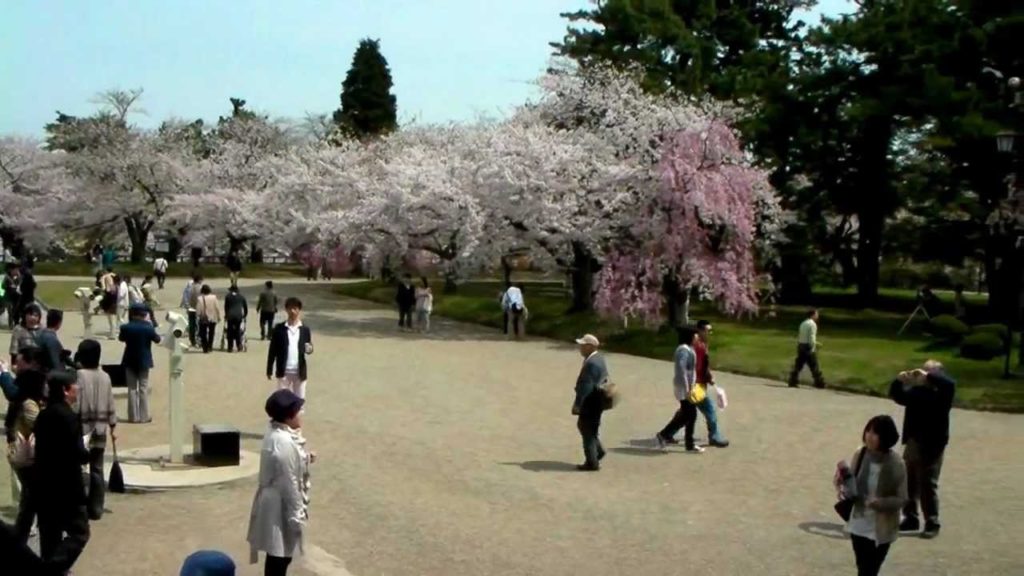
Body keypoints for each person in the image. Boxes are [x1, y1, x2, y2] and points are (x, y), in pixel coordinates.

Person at [247, 389, 314, 576]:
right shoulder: (283, 442)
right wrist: (297, 514)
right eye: (298, 410)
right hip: (279, 504)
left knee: (279, 554)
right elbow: (289, 482)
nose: (301, 413)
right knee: (280, 556)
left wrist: (306, 458)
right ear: (289, 416)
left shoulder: (276, 432)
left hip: (274, 498)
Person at [33, 370, 91, 574]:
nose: (78, 390)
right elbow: (77, 454)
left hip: (43, 483)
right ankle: (53, 568)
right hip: (67, 486)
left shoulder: (44, 415)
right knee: (79, 533)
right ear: (66, 391)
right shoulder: (69, 417)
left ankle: (51, 564)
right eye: (75, 386)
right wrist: (88, 452)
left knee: (50, 535)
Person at [890, 360, 955, 539]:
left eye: (929, 370)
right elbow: (897, 397)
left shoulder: (943, 391)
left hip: (933, 444)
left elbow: (950, 383)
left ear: (938, 374)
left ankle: (932, 522)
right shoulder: (917, 391)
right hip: (913, 441)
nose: (923, 373)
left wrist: (929, 376)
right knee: (909, 481)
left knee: (928, 483)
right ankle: (911, 518)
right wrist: (899, 381)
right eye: (924, 369)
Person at [841, 415, 907, 576]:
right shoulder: (860, 453)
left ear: (885, 437)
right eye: (868, 431)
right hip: (859, 522)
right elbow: (851, 483)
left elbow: (902, 498)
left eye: (875, 433)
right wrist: (843, 481)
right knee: (863, 568)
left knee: (870, 569)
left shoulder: (896, 463)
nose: (869, 436)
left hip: (882, 526)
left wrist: (880, 503)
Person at [4, 358, 45, 544]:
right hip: (28, 454)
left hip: (19, 452)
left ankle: (26, 526)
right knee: (29, 494)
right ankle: (28, 527)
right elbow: (40, 426)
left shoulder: (21, 401)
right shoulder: (30, 404)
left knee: (25, 492)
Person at [75, 339, 117, 520]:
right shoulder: (105, 376)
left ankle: (81, 506)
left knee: (80, 469)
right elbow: (111, 403)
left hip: (83, 428)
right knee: (97, 469)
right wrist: (113, 425)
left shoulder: (79, 375)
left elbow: (75, 403)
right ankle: (97, 507)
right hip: (101, 428)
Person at [655, 327, 704, 453]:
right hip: (683, 388)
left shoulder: (688, 349)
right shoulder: (683, 350)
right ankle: (668, 436)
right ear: (691, 337)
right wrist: (688, 388)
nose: (698, 338)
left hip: (687, 387)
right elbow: (682, 370)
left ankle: (672, 437)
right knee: (689, 415)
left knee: (687, 415)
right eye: (696, 336)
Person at [571, 334, 608, 471]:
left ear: (590, 347)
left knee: (587, 429)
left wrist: (578, 404)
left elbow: (586, 387)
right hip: (597, 400)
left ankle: (592, 461)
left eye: (582, 345)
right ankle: (597, 451)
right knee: (589, 428)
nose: (580, 348)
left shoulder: (592, 363)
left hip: (590, 402)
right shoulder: (598, 358)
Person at [119, 304, 161, 423]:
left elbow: (121, 339)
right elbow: (157, 339)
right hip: (144, 360)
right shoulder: (148, 327)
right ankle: (144, 416)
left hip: (129, 359)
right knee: (143, 388)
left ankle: (133, 416)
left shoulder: (126, 327)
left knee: (131, 388)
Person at [267, 298, 313, 400]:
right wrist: (269, 368)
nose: (292, 311)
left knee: (300, 402)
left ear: (299, 310)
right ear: (286, 310)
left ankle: (297, 416)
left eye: (295, 308)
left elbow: (308, 347)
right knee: (282, 403)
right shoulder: (279, 329)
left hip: (299, 371)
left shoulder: (305, 330)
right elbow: (272, 350)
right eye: (290, 308)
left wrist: (309, 349)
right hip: (284, 371)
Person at [694, 320, 729, 448]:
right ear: (700, 331)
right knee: (710, 409)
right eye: (708, 330)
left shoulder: (702, 344)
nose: (710, 333)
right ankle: (714, 436)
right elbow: (699, 366)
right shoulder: (698, 346)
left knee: (685, 412)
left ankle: (666, 434)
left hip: (699, 383)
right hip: (695, 384)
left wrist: (708, 376)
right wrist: (708, 376)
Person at [788, 309, 826, 388]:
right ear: (812, 315)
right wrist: (814, 346)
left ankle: (792, 380)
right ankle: (819, 382)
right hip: (808, 347)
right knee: (814, 365)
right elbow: (811, 337)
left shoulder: (803, 323)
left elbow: (801, 335)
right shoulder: (812, 324)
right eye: (816, 314)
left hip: (801, 345)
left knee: (798, 365)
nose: (817, 316)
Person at [196, 285, 222, 354]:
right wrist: (219, 317)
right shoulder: (214, 297)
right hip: (213, 317)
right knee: (211, 332)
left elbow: (198, 310)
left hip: (204, 318)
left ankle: (205, 347)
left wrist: (198, 315)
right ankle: (210, 346)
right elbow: (217, 308)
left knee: (203, 333)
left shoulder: (200, 299)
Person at [224, 285, 249, 353]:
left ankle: (230, 347)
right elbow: (245, 307)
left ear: (231, 290)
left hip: (230, 315)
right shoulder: (241, 296)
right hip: (238, 315)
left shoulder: (228, 296)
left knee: (230, 331)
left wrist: (226, 315)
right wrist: (245, 315)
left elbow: (226, 307)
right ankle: (239, 346)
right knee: (237, 330)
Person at [181, 274, 204, 347]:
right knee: (198, 325)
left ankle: (192, 340)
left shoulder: (189, 287)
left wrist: (187, 307)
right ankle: (198, 340)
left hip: (190, 308)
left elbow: (185, 298)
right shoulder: (200, 288)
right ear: (200, 280)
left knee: (191, 325)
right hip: (197, 308)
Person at [3, 264, 21, 328]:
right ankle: (10, 325)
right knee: (10, 311)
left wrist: (19, 277)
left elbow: (20, 285)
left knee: (15, 311)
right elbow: (3, 286)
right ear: (11, 270)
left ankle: (15, 324)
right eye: (15, 270)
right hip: (8, 297)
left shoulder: (18, 277)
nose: (16, 271)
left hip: (16, 297)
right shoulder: (7, 277)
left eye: (17, 270)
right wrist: (9, 286)